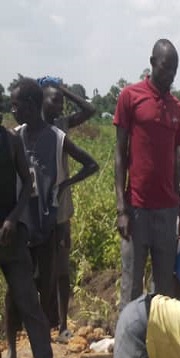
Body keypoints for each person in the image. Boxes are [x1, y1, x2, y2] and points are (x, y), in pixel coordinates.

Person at [3, 78, 96, 358]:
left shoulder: (56, 137)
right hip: (19, 228)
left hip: (44, 225)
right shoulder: (14, 136)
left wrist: (63, 186)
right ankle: (13, 355)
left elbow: (90, 163)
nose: (13, 110)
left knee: (41, 294)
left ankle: (43, 356)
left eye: (17, 106)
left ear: (32, 104)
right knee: (14, 295)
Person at [114, 38, 180, 312]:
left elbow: (174, 162)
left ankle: (159, 352)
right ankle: (127, 351)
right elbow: (120, 155)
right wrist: (121, 209)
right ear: (152, 63)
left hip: (167, 209)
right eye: (165, 67)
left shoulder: (177, 108)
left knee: (164, 290)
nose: (170, 74)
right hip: (137, 208)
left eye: (174, 69)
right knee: (132, 285)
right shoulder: (130, 97)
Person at [0, 108, 61, 358]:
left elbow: (27, 184)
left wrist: (14, 217)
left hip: (12, 234)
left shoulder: (11, 141)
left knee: (28, 299)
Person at [40, 76, 98, 343]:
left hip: (60, 208)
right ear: (41, 100)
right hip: (36, 208)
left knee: (62, 268)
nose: (60, 106)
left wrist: (64, 88)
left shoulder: (61, 127)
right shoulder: (29, 128)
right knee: (39, 271)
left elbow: (90, 110)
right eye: (55, 99)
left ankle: (62, 325)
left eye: (62, 101)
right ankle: (43, 323)